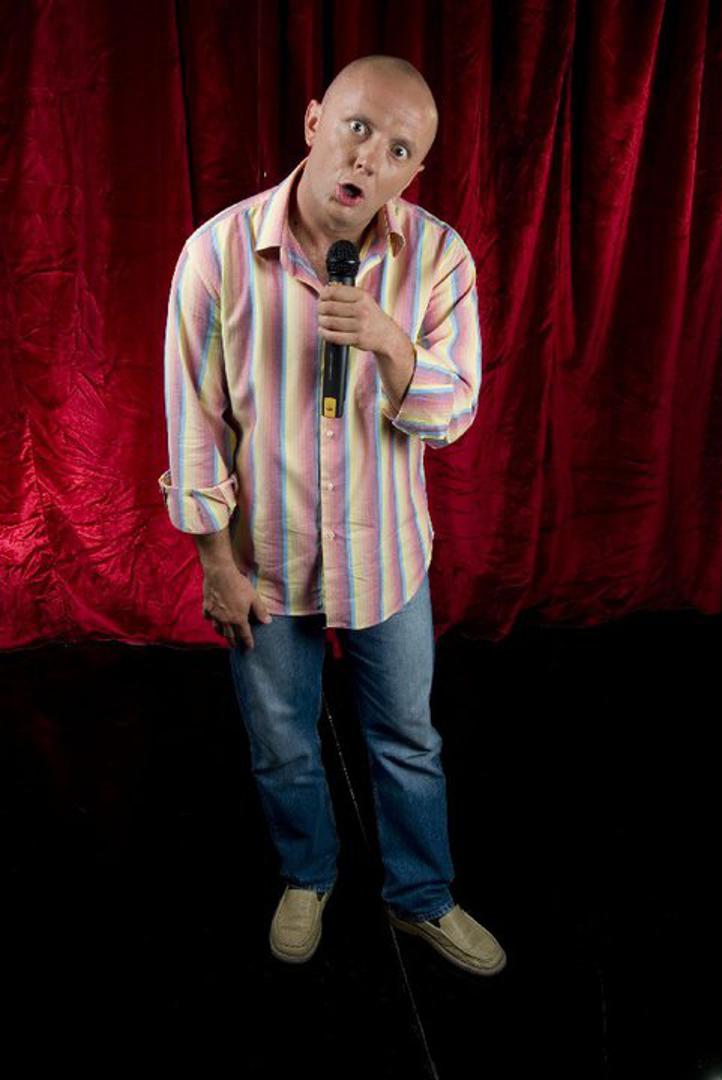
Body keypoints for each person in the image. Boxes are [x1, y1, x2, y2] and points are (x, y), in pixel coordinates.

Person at [158, 54, 506, 976]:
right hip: (264, 561)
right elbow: (194, 424)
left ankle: (420, 897)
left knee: (408, 740)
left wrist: (391, 344)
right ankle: (308, 875)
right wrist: (216, 566)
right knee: (281, 743)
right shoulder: (216, 255)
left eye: (399, 150)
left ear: (414, 172)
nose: (369, 158)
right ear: (315, 122)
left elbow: (452, 416)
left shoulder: (439, 258)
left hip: (387, 555)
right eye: (358, 128)